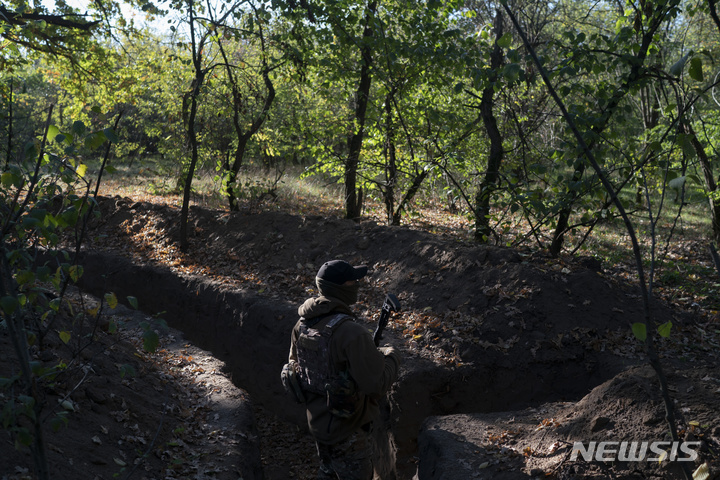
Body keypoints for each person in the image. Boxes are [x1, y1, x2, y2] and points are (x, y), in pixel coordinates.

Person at [285, 259, 401, 479]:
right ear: (341, 288)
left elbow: (298, 367)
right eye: (353, 281)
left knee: (328, 471)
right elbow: (375, 385)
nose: (358, 283)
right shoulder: (351, 332)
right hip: (348, 429)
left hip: (318, 423)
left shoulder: (302, 325)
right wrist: (393, 356)